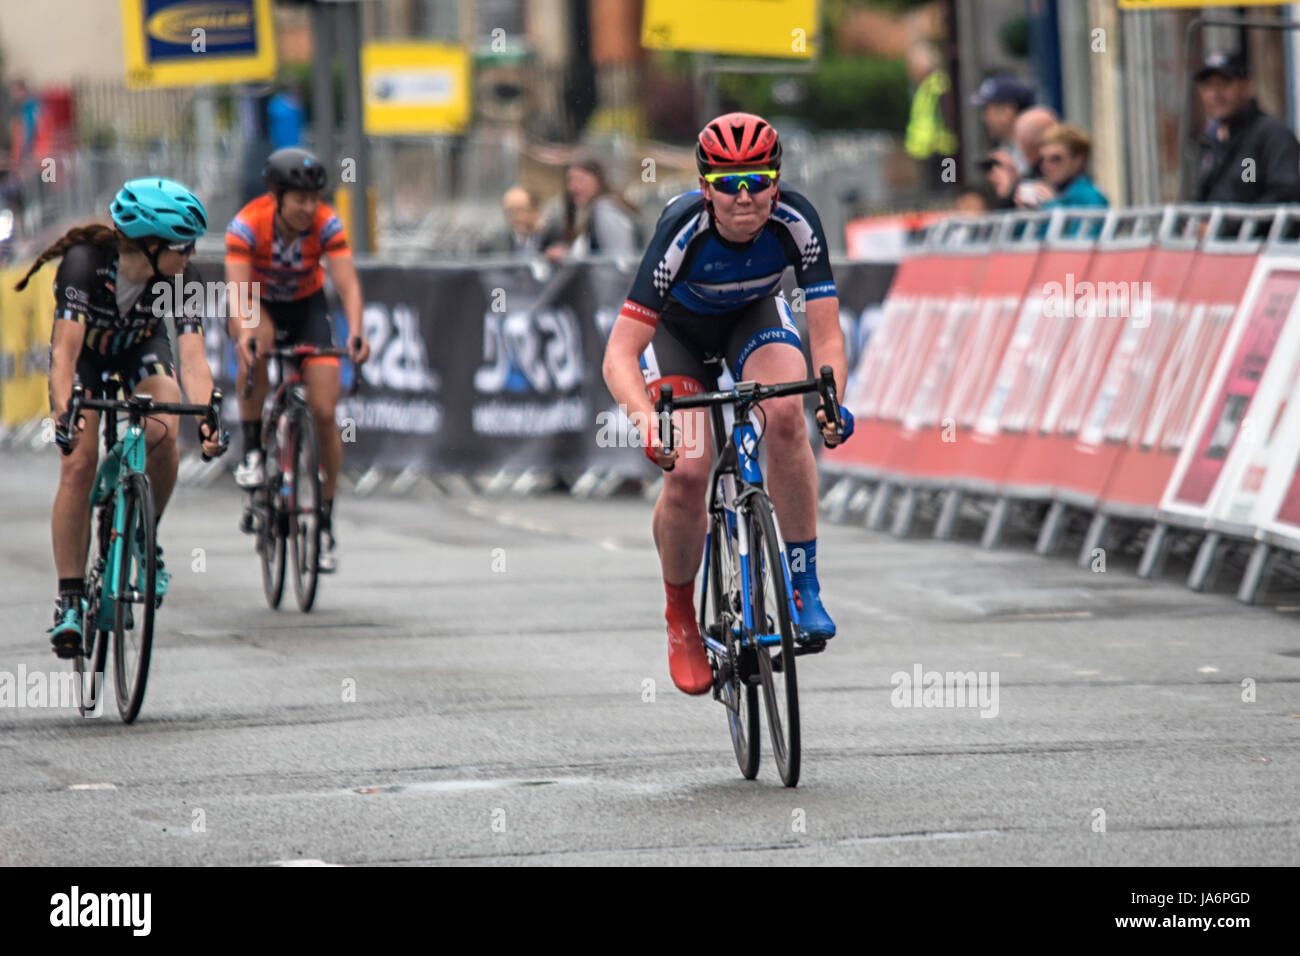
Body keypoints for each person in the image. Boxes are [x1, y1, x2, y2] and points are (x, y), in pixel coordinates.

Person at [601, 112, 854, 696]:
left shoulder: (797, 220)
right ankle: (681, 617)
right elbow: (619, 352)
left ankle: (802, 583)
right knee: (687, 474)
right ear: (704, 188)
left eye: (758, 181)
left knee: (788, 413)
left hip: (752, 320)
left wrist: (833, 399)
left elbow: (829, 337)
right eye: (728, 184)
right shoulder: (682, 231)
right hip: (680, 336)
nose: (745, 197)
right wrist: (645, 422)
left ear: (777, 181)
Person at [10, 178, 228, 657]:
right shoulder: (85, 265)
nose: (190, 255)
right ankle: (69, 597)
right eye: (183, 246)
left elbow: (192, 358)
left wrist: (209, 414)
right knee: (79, 465)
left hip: (140, 352)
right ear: (151, 247)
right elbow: (64, 354)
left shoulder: (178, 279)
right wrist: (64, 413)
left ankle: (145, 535)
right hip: (87, 358)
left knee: (164, 429)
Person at [225, 147, 371, 573]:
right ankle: (253, 452)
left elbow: (348, 285)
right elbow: (236, 291)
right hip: (258, 302)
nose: (309, 208)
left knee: (325, 409)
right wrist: (245, 333)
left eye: (314, 198)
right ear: (276, 196)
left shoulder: (326, 223)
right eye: (299, 200)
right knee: (258, 345)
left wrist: (357, 331)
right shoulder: (248, 224)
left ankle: (324, 520)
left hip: (307, 308)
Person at [1193, 52, 1300, 204]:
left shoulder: (1271, 134)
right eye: (1208, 86)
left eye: (1224, 84)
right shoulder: (1211, 140)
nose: (1216, 94)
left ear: (1246, 86)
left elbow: (1286, 193)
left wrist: (1231, 225)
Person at [544, 157, 642, 261]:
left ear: (598, 181)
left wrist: (566, 256)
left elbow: (619, 259)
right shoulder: (595, 210)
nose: (573, 187)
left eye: (580, 180)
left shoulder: (605, 210)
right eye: (570, 181)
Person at [904, 42, 959, 190]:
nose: (911, 70)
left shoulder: (937, 84)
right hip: (929, 150)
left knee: (948, 185)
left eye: (913, 65)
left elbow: (947, 115)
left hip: (942, 148)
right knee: (936, 188)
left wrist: (937, 138)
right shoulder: (925, 86)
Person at [479, 184, 562, 256]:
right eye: (509, 211)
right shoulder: (500, 240)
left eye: (519, 210)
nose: (514, 217)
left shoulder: (552, 234)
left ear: (535, 210)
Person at [1038, 124, 1108, 208]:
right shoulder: (1052, 192)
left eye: (1055, 159)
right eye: (1042, 159)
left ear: (1078, 160)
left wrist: (1050, 204)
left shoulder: (1092, 197)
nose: (1046, 165)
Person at [969, 74, 1034, 164]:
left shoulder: (1032, 152)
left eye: (987, 109)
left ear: (1008, 112)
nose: (984, 118)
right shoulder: (1008, 148)